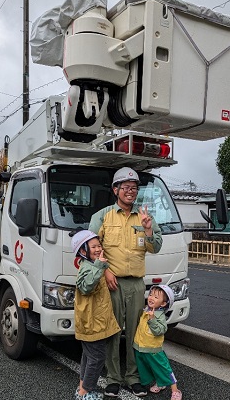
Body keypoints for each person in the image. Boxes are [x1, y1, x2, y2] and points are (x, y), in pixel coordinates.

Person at [88, 167, 163, 398]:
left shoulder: (144, 217)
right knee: (111, 331)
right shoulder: (102, 216)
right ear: (115, 190)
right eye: (126, 187)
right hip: (110, 282)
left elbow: (156, 246)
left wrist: (148, 230)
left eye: (134, 188)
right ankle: (112, 378)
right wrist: (106, 271)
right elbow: (91, 249)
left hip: (136, 284)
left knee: (134, 332)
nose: (131, 192)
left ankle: (132, 377)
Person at [72, 230, 121, 400]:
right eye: (93, 246)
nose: (98, 249)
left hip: (95, 321)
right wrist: (100, 266)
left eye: (99, 245)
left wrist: (102, 266)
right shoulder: (87, 267)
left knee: (88, 356)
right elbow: (85, 286)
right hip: (92, 323)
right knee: (97, 358)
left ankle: (82, 388)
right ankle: (86, 391)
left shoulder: (94, 264)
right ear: (83, 251)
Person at [133, 285, 182, 400]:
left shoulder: (159, 316)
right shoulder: (146, 310)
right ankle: (160, 383)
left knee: (163, 368)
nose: (151, 298)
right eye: (151, 295)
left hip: (153, 349)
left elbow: (161, 330)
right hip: (141, 347)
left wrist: (152, 320)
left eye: (156, 297)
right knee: (148, 367)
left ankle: (175, 391)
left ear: (163, 304)